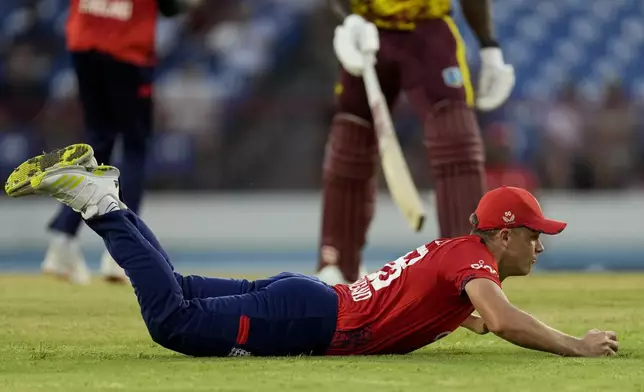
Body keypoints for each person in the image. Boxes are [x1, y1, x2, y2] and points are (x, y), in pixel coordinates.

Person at [5, 144, 619, 358]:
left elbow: (475, 308)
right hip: (312, 317)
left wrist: (470, 317)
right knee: (173, 319)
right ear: (503, 234)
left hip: (312, 301)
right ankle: (100, 204)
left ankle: (107, 197)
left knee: (183, 290)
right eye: (537, 233)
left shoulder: (465, 257)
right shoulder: (474, 264)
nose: (543, 244)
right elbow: (507, 321)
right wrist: (575, 344)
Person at [317, 0, 516, 284]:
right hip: (368, 28)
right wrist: (349, 20)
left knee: (456, 140)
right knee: (351, 140)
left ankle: (467, 265)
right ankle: (337, 263)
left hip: (429, 31)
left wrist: (489, 47)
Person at [43, 0, 197, 284]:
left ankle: (63, 236)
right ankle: (123, 252)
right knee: (135, 145)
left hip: (85, 38)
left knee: (99, 140)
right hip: (126, 47)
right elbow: (171, 6)